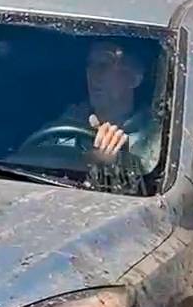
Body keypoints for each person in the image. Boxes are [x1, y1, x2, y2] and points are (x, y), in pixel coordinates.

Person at [48, 40, 161, 195]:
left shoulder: (155, 136)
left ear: (134, 78)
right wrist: (85, 162)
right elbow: (28, 160)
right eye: (90, 65)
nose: (93, 75)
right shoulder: (68, 121)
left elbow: (152, 197)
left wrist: (119, 164)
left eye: (104, 65)